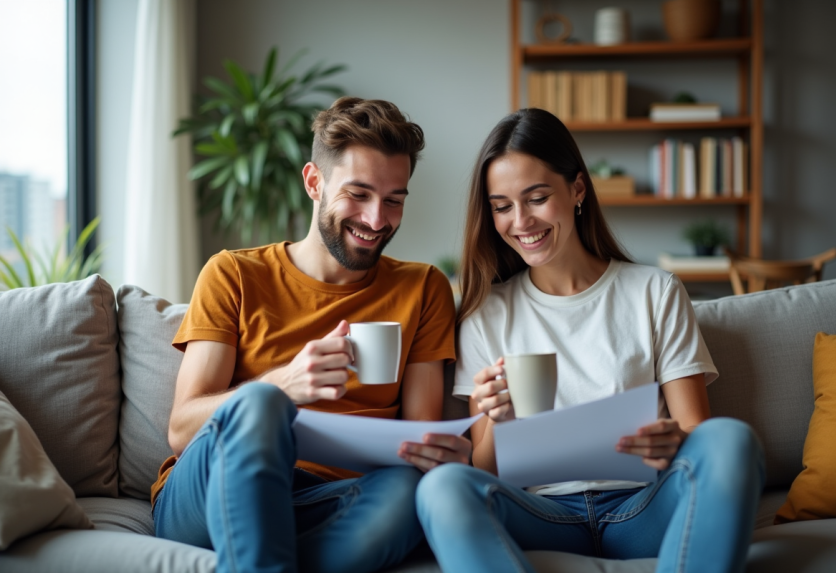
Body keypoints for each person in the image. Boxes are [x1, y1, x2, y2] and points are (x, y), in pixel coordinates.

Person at [415, 108, 765, 573]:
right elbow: (484, 473)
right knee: (442, 486)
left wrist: (675, 440)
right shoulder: (485, 314)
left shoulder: (654, 291)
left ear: (577, 189)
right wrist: (496, 420)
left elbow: (697, 432)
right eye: (502, 206)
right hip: (542, 514)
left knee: (731, 439)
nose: (521, 221)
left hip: (643, 507)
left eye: (537, 198)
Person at [152, 97, 471, 573]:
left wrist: (443, 452)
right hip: (213, 489)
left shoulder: (423, 288)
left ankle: (264, 556)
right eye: (358, 194)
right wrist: (281, 385)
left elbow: (416, 439)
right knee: (261, 403)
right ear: (314, 182)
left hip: (338, 498)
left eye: (394, 200)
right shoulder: (233, 273)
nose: (376, 220)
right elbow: (182, 431)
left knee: (413, 488)